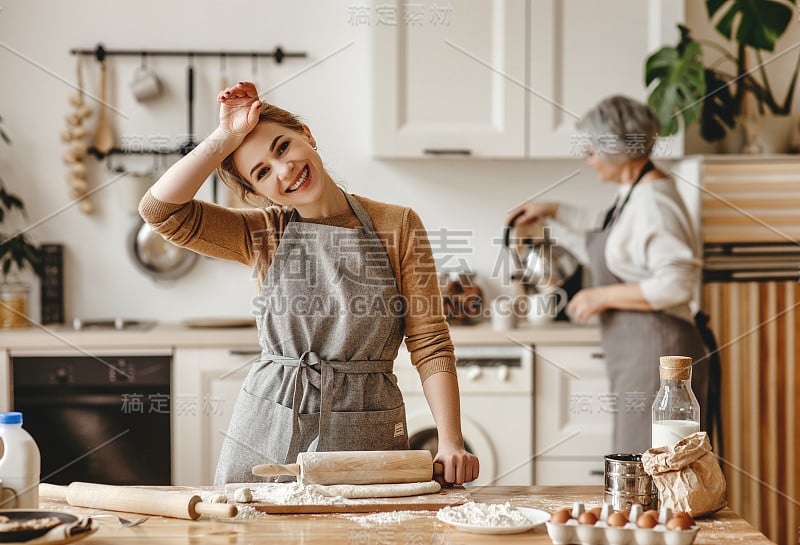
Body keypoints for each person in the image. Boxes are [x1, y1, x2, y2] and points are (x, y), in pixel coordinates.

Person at [139, 81, 479, 485]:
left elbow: (429, 341)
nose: (284, 171)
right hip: (270, 421)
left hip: (365, 421)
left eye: (282, 147)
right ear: (258, 193)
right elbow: (159, 210)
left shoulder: (398, 224)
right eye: (262, 172)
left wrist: (450, 440)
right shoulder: (262, 233)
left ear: (308, 135)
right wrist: (224, 137)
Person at [507, 95, 709, 455]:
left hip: (658, 352)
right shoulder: (635, 191)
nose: (588, 157)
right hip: (641, 353)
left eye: (592, 148)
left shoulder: (654, 203)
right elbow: (609, 227)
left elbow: (677, 284)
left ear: (615, 147)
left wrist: (599, 297)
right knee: (639, 461)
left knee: (648, 466)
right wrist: (552, 209)